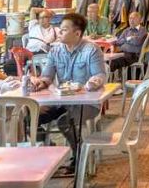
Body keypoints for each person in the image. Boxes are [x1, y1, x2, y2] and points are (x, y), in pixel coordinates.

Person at [31, 13, 106, 174]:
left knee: (65, 121)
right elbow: (47, 76)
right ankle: (49, 152)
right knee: (29, 117)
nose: (59, 33)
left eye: (64, 30)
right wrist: (40, 83)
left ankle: (79, 155)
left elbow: (100, 75)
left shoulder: (91, 50)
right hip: (60, 101)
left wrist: (92, 83)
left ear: (77, 33)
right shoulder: (55, 51)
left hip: (86, 103)